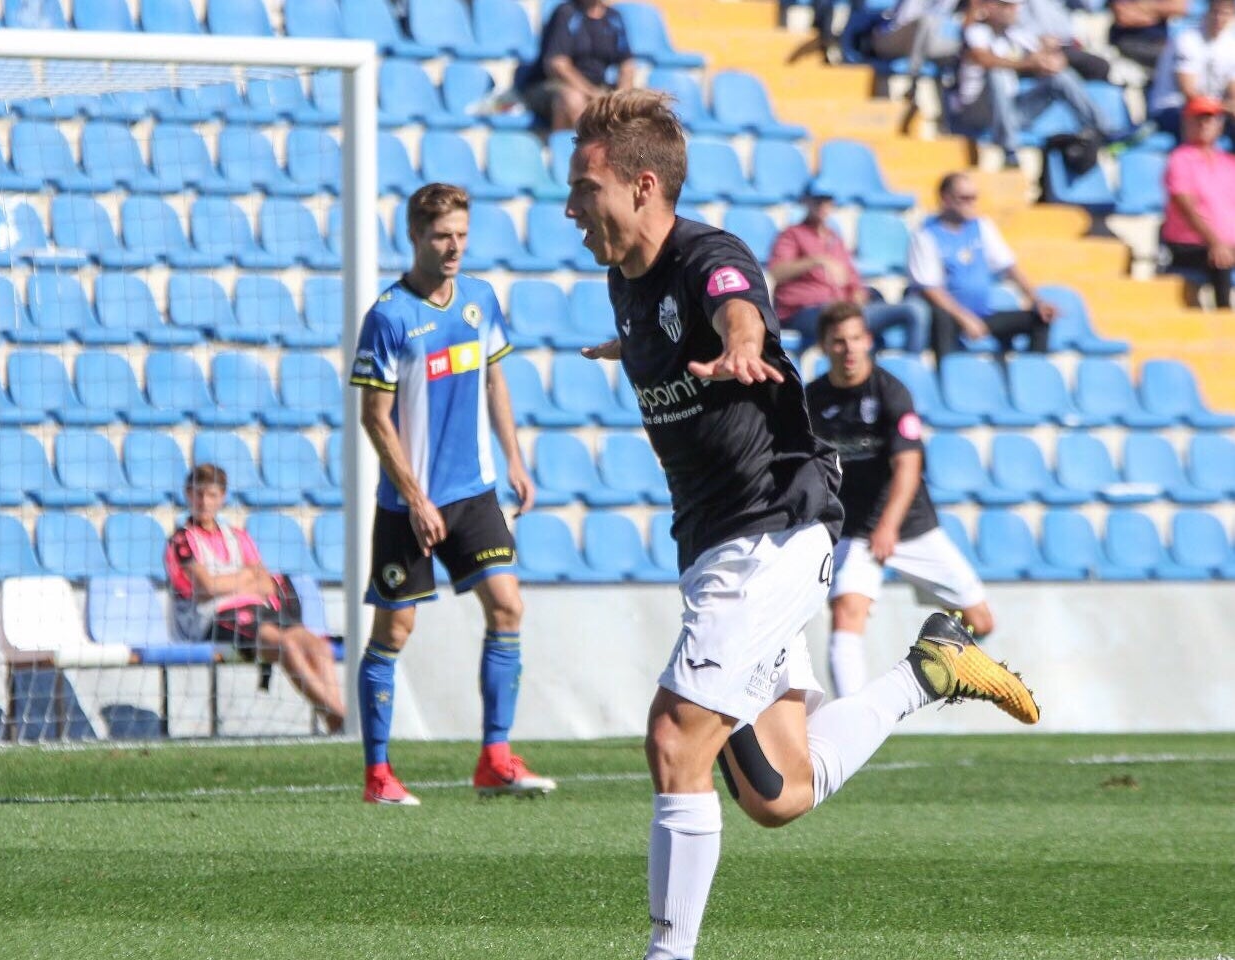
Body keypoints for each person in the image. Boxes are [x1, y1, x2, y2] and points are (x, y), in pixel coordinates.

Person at [566, 89, 1039, 960]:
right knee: (775, 792)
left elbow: (733, 301)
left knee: (675, 738)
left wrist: (742, 337)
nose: (568, 207)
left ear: (640, 186)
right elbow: (669, 326)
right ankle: (926, 674)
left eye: (582, 187)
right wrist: (632, 350)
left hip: (770, 527)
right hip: (714, 542)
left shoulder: (711, 256)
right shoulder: (621, 280)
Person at [349, 182, 553, 806]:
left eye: (462, 234)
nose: (455, 246)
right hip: (409, 503)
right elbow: (374, 418)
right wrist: (414, 496)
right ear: (415, 236)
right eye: (442, 235)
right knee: (395, 629)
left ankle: (495, 757)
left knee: (507, 607)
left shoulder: (480, 299)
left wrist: (515, 460)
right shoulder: (389, 316)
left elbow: (495, 381)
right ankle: (378, 775)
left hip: (473, 493)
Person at [805, 303, 995, 698]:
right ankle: (850, 720)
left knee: (981, 621)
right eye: (838, 341)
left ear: (869, 342)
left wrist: (889, 527)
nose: (849, 349)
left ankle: (930, 672)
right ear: (824, 346)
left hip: (909, 526)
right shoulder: (812, 399)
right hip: (854, 529)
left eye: (856, 339)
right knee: (846, 612)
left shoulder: (891, 392)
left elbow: (908, 467)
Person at [165, 463, 347, 734]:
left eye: (212, 495)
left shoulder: (238, 537)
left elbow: (267, 584)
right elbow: (206, 588)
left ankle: (338, 716)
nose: (204, 501)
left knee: (316, 645)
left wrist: (237, 582)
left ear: (223, 497)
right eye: (198, 494)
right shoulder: (182, 540)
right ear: (187, 494)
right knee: (286, 645)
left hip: (256, 612)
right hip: (212, 620)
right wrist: (246, 579)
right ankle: (339, 719)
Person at [953, 0, 1120, 163]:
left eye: (1014, 6)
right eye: (1007, 6)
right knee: (995, 74)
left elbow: (1044, 56)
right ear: (991, 6)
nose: (1013, 10)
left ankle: (1102, 129)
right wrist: (1027, 64)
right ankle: (1009, 148)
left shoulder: (1015, 34)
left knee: (1059, 76)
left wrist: (1049, 59)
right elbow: (984, 59)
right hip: (976, 111)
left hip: (1010, 110)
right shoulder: (977, 31)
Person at [909, 172, 1056, 355]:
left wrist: (1037, 300)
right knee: (941, 318)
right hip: (951, 317)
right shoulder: (926, 235)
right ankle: (947, 374)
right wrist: (964, 318)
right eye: (965, 198)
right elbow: (930, 289)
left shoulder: (982, 226)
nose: (972, 203)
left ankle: (1034, 375)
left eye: (974, 198)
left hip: (981, 315)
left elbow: (1009, 267)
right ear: (946, 199)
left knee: (1039, 319)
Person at [767, 189, 932, 352]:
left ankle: (910, 369)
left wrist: (858, 292)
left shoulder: (834, 238)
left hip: (845, 309)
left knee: (915, 309)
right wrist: (815, 261)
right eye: (818, 201)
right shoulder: (791, 234)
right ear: (807, 203)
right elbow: (777, 272)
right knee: (839, 318)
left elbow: (852, 278)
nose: (823, 206)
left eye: (828, 201)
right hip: (806, 312)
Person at [1160, 96, 1235, 308]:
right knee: (1220, 261)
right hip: (1191, 244)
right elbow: (1186, 206)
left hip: (1226, 245)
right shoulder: (1180, 159)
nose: (1204, 124)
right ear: (1187, 123)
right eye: (1199, 119)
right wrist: (1215, 242)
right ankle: (1225, 315)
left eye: (1210, 119)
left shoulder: (1228, 162)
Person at [515, 0, 636, 131]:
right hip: (553, 85)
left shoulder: (614, 17)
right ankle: (569, 147)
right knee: (573, 99)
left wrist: (621, 98)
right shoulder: (566, 13)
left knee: (642, 102)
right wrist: (593, 94)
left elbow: (627, 65)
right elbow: (557, 65)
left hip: (599, 86)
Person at [1146, 0, 1235, 137]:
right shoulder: (1187, 39)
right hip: (1173, 108)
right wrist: (1226, 107)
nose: (1219, 18)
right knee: (1202, 125)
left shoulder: (1230, 45)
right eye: (1215, 12)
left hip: (1212, 110)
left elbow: (1232, 91)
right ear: (1207, 12)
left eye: (1225, 14)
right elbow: (1190, 93)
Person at [1019, 0, 1112, 81]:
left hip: (1066, 45)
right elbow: (1013, 29)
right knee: (1063, 76)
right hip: (1034, 50)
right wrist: (1037, 40)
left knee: (1101, 67)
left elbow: (1090, 6)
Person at [1110, 0, 1188, 71]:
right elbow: (1124, 17)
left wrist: (1145, 6)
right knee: (1173, 60)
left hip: (1160, 41)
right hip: (1128, 41)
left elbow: (1179, 8)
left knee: (1182, 57)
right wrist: (1159, 13)